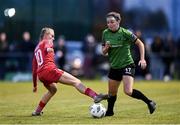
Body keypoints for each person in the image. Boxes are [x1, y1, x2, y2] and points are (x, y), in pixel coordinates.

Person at [32, 27, 107, 116]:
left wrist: (35, 85)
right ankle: (95, 96)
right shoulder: (47, 42)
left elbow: (34, 68)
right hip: (49, 70)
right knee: (76, 82)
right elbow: (47, 46)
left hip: (41, 75)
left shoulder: (36, 48)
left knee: (53, 90)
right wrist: (48, 49)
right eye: (52, 36)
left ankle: (37, 111)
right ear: (46, 35)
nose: (53, 38)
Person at [101, 12, 156, 116]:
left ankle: (149, 102)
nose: (110, 24)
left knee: (128, 91)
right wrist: (106, 48)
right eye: (108, 22)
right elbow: (103, 52)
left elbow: (140, 43)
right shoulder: (105, 33)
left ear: (118, 21)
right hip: (114, 66)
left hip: (127, 64)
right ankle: (110, 112)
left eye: (112, 22)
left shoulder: (125, 33)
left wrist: (142, 59)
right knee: (112, 93)